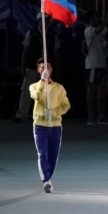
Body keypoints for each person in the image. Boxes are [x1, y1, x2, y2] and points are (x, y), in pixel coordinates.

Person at [29, 59, 71, 193]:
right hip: (40, 125)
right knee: (42, 153)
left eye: (47, 67)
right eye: (42, 67)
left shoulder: (59, 88)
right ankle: (46, 180)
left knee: (53, 155)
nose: (45, 69)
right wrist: (42, 82)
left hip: (55, 125)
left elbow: (66, 105)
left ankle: (49, 177)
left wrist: (53, 111)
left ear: (51, 69)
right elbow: (36, 96)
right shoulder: (34, 86)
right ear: (38, 70)